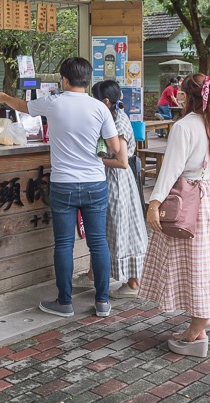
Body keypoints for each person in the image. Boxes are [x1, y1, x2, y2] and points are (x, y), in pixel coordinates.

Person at [0, 57, 122, 319]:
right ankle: (103, 302)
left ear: (64, 79)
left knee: (63, 244)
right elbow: (115, 148)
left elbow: (22, 106)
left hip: (64, 184)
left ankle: (65, 302)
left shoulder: (54, 102)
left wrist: (3, 97)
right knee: (98, 242)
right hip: (95, 182)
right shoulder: (100, 108)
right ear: (87, 79)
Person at [138, 74, 210, 358]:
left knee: (192, 261)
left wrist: (154, 203)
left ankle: (199, 323)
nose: (179, 98)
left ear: (191, 97)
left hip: (189, 200)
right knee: (207, 260)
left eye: (183, 94)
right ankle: (200, 326)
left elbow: (171, 168)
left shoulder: (184, 126)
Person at [87, 80, 148, 299]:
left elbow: (122, 161)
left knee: (122, 228)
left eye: (94, 98)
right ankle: (92, 273)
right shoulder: (112, 115)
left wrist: (95, 162)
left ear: (105, 101)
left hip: (118, 181)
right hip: (113, 179)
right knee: (107, 229)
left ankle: (133, 283)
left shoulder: (119, 122)